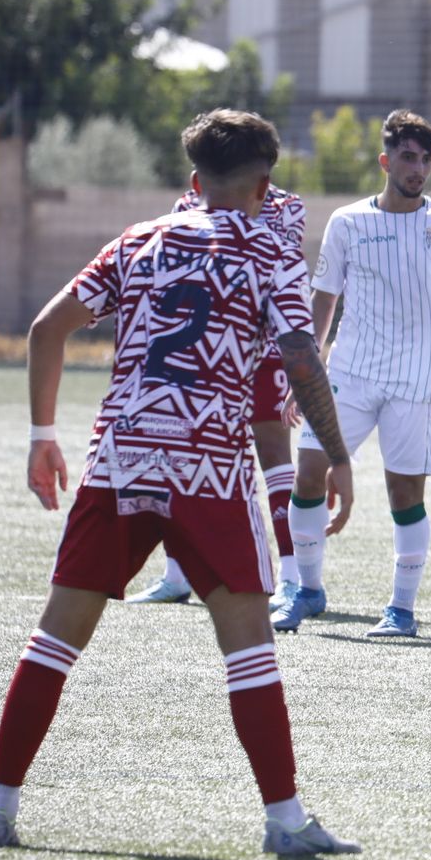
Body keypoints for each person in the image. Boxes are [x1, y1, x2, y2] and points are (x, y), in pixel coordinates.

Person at [0, 109, 359, 854]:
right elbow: (302, 357)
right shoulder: (270, 251)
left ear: (193, 181)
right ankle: (285, 823)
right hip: (206, 465)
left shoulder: (138, 241)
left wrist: (42, 439)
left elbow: (46, 330)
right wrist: (336, 454)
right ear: (263, 184)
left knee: (56, 637)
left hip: (120, 457)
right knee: (247, 641)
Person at [273, 109, 431, 639]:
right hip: (348, 373)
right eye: (409, 158)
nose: (418, 168)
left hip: (414, 380)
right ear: (386, 161)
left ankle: (402, 610)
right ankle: (307, 590)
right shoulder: (348, 222)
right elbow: (324, 300)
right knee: (308, 474)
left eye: (426, 159)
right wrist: (305, 370)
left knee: (405, 495)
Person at [127, 183, 307, 609]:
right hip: (200, 353)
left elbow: (277, 265)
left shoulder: (287, 206)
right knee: (180, 454)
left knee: (275, 456)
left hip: (261, 351)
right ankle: (176, 575)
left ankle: (293, 577)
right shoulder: (187, 203)